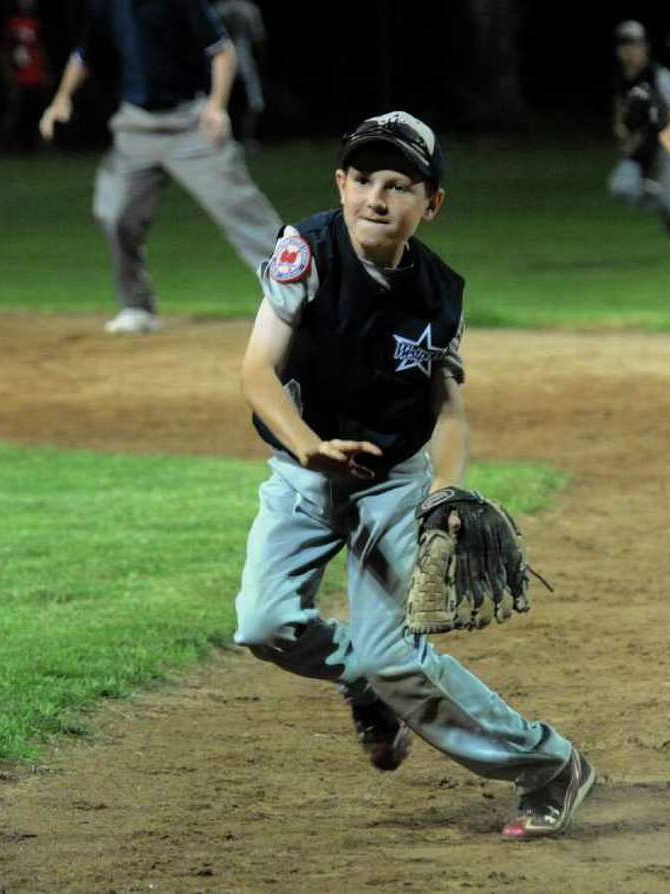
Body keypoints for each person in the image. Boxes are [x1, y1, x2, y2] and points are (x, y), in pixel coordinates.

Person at [232, 111, 595, 840]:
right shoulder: (307, 251)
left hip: (392, 482)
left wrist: (444, 493)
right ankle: (362, 678)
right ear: (340, 184)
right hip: (305, 474)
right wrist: (307, 448)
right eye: (362, 179)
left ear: (431, 203)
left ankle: (547, 764)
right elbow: (257, 371)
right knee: (264, 624)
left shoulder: (439, 294)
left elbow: (450, 411)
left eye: (398, 184)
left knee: (397, 653)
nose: (376, 197)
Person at [39, 0, 283, 335]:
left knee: (242, 209)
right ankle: (137, 307)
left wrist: (216, 106)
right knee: (115, 213)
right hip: (135, 126)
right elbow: (84, 54)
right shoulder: (105, 6)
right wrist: (61, 99)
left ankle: (302, 296)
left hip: (190, 123)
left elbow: (222, 50)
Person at [608, 19, 670, 254]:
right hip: (644, 146)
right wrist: (624, 134)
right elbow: (621, 117)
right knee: (621, 187)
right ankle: (665, 206)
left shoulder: (657, 75)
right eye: (625, 46)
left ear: (644, 47)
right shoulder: (623, 80)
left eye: (634, 45)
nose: (629, 51)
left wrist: (651, 122)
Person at [0, 0, 51, 153]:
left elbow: (41, 49)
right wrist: (8, 71)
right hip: (19, 76)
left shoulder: (37, 24)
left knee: (34, 111)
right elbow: (4, 50)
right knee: (15, 112)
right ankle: (7, 146)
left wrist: (45, 71)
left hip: (35, 75)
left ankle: (33, 146)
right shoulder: (12, 24)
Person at [212, 0, 267, 150]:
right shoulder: (248, 8)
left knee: (231, 98)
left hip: (224, 58)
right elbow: (259, 39)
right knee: (248, 100)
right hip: (241, 58)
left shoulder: (219, 9)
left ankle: (239, 138)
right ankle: (244, 138)